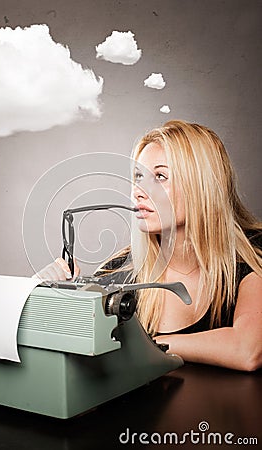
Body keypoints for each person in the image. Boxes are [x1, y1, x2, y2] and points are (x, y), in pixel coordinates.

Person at [35, 120, 262, 372]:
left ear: (201, 185)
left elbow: (248, 350)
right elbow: (73, 352)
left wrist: (149, 345)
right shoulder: (117, 273)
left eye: (160, 176)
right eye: (138, 177)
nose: (138, 191)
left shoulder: (253, 255)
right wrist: (45, 298)